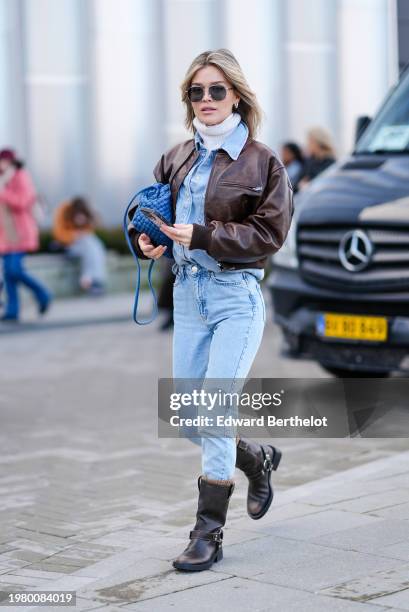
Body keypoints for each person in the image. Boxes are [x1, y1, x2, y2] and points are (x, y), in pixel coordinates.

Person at [127, 48, 294, 572]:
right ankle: (256, 458)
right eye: (195, 92)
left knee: (215, 410)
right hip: (188, 296)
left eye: (216, 90)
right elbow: (150, 215)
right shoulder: (175, 158)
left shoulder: (263, 161)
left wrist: (202, 234)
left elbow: (270, 233)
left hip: (235, 296)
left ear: (237, 95)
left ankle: (208, 532)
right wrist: (145, 242)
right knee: (187, 418)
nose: (205, 100)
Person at [0, 148, 51, 322]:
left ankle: (43, 293)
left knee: (14, 270)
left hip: (20, 232)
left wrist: (3, 192)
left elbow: (22, 202)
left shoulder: (21, 176)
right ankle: (12, 311)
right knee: (9, 273)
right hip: (5, 235)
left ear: (11, 162)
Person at [53, 197, 107, 296]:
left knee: (95, 245)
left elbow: (90, 231)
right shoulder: (64, 210)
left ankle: (89, 278)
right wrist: (74, 235)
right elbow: (59, 234)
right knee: (90, 245)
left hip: (84, 245)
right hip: (67, 246)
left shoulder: (86, 213)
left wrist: (87, 221)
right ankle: (94, 281)